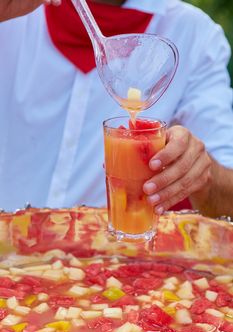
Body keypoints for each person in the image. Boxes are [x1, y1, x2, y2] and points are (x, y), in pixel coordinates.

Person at [0, 0, 233, 218]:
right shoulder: (15, 14)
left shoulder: (195, 37)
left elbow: (228, 200)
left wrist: (203, 172)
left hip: (111, 257)